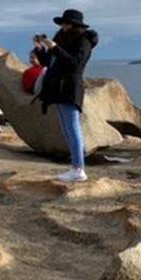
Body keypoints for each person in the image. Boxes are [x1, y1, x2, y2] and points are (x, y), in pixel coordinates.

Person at [35, 9, 98, 183]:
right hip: (58, 88)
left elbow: (74, 64)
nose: (63, 26)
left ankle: (79, 169)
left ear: (75, 25)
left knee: (73, 127)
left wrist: (54, 48)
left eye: (66, 23)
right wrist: (41, 48)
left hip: (70, 87)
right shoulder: (61, 38)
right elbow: (49, 62)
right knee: (65, 128)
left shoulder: (84, 40)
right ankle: (75, 167)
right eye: (62, 23)